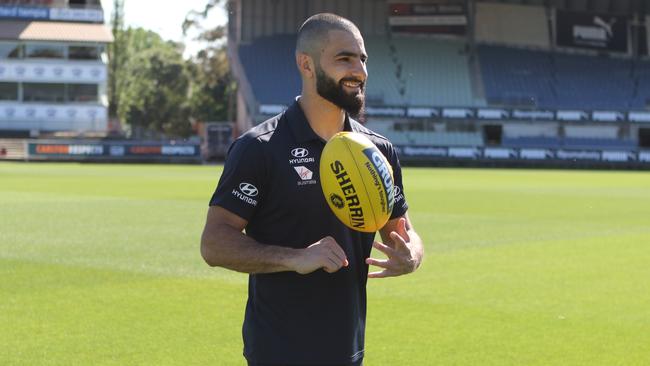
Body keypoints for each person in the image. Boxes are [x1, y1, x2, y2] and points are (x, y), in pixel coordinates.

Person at [201, 13, 424, 366]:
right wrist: (295, 257)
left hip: (348, 350)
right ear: (306, 64)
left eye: (362, 59)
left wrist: (411, 254)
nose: (360, 71)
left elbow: (404, 231)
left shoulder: (378, 151)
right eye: (344, 58)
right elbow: (213, 244)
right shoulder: (260, 147)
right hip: (278, 352)